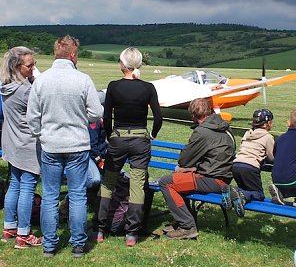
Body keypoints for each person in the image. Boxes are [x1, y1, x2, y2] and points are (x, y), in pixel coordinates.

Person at [27, 35, 103, 258]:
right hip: (77, 144)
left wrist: (41, 134)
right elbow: (97, 112)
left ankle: (49, 244)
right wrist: (82, 118)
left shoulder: (41, 81)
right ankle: (78, 244)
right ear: (72, 55)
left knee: (50, 195)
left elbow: (32, 116)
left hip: (50, 144)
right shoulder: (83, 80)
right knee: (78, 194)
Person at [95, 47, 163, 247]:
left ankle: (100, 229)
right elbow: (158, 118)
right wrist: (152, 135)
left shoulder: (113, 87)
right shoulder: (148, 87)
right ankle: (132, 233)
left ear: (122, 65)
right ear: (138, 65)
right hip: (140, 139)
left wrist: (110, 136)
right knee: (137, 184)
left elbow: (106, 117)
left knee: (108, 182)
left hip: (118, 137)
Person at [158, 98, 236, 240]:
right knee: (178, 178)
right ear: (210, 110)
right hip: (222, 177)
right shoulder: (225, 127)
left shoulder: (202, 132)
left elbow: (184, 160)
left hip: (212, 179)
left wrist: (191, 167)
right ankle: (182, 221)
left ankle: (187, 226)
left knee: (166, 181)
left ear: (193, 115)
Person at [0, 46, 42, 249]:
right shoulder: (25, 91)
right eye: (29, 65)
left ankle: (9, 227)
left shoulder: (5, 86)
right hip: (27, 144)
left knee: (15, 184)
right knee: (27, 188)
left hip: (12, 142)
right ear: (17, 67)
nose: (33, 68)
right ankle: (23, 233)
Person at [231, 108, 276, 203]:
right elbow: (271, 157)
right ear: (268, 123)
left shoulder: (248, 133)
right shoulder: (268, 137)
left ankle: (234, 193)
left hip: (236, 164)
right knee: (258, 195)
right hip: (250, 166)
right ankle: (238, 193)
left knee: (244, 192)